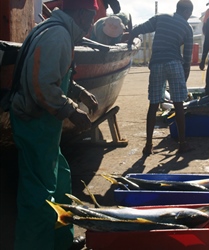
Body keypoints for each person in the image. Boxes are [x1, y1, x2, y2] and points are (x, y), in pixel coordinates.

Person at [9, 0, 99, 249]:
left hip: (45, 127)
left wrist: (79, 92)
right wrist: (72, 110)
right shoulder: (57, 35)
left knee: (61, 181)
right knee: (38, 195)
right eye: (92, 17)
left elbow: (54, 74)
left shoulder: (56, 29)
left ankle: (61, 241)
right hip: (35, 124)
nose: (92, 24)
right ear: (81, 14)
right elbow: (42, 86)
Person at [127, 0, 194, 154]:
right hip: (174, 63)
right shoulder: (187, 27)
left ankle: (148, 146)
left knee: (153, 104)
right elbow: (188, 58)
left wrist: (130, 39)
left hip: (157, 63)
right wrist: (184, 78)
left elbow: (139, 29)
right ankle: (182, 143)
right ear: (187, 12)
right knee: (178, 105)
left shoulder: (161, 17)